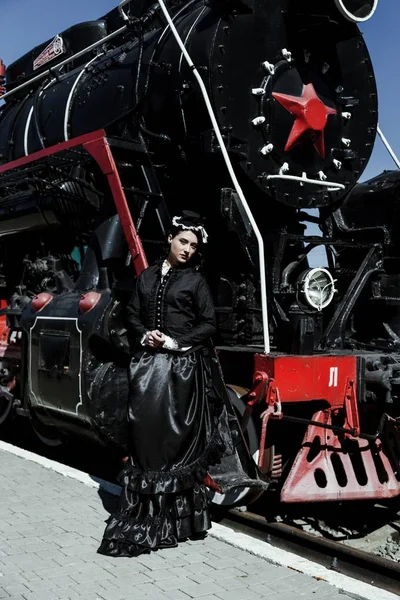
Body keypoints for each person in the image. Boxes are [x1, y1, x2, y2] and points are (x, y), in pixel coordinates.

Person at [97, 210, 235, 557]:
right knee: (143, 435)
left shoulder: (196, 282)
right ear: (171, 241)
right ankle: (143, 508)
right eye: (183, 242)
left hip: (181, 370)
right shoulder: (145, 278)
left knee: (172, 441)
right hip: (147, 367)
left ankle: (174, 519)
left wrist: (174, 342)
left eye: (194, 245)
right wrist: (146, 335)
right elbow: (131, 313)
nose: (188, 249)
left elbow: (208, 325)